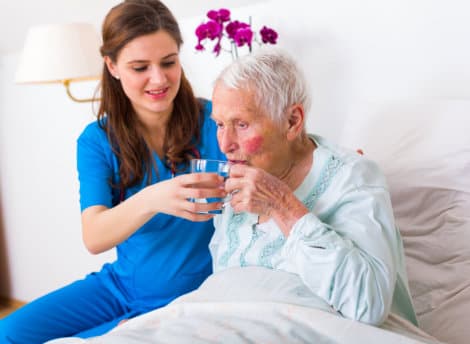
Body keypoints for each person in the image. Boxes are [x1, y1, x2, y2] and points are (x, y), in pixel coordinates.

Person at [0, 0, 226, 342]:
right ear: (112, 66)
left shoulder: (216, 122)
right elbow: (94, 236)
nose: (158, 78)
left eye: (169, 62)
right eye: (139, 67)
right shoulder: (97, 141)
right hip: (121, 285)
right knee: (11, 331)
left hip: (187, 296)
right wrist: (154, 198)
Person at [209, 47, 418, 326]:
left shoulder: (353, 177)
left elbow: (368, 305)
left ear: (292, 121)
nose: (225, 144)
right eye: (220, 125)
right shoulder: (236, 186)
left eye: (242, 124)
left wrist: (282, 206)